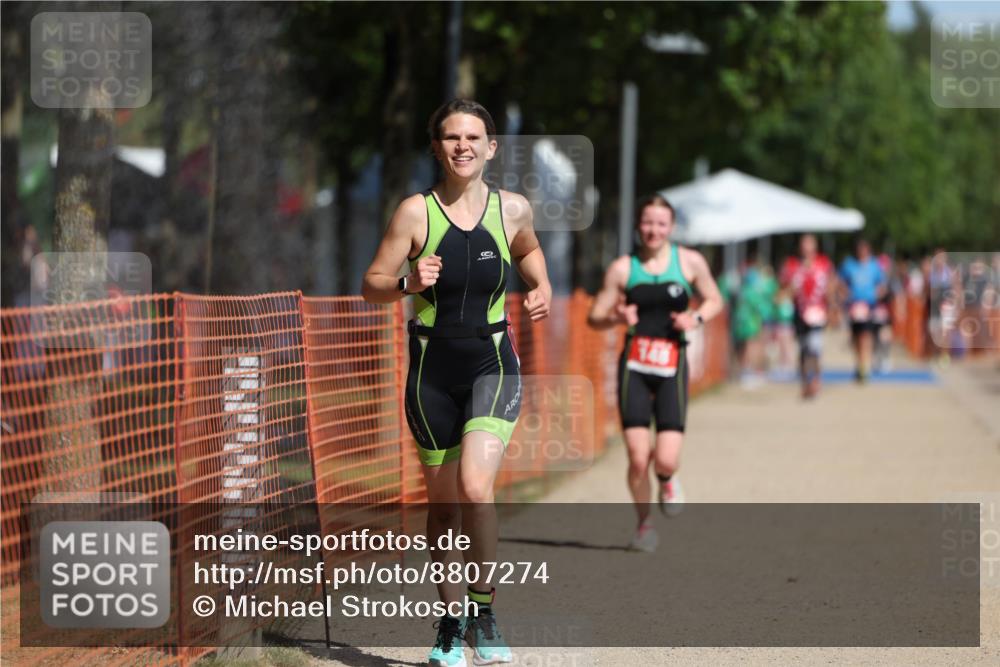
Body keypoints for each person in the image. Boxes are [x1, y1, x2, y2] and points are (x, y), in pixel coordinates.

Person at [363, 99, 552, 667]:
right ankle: (451, 623)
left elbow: (530, 250)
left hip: (491, 364)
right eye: (451, 137)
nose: (462, 146)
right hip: (430, 373)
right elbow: (371, 283)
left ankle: (484, 610)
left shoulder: (512, 209)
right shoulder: (414, 214)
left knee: (475, 487)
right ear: (436, 147)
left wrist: (541, 284)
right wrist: (405, 280)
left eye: (473, 137)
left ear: (492, 148)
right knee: (442, 506)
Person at [587, 194, 723, 552]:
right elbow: (594, 316)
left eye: (661, 223)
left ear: (671, 227)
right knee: (636, 455)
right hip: (634, 365)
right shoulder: (622, 269)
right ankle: (644, 525)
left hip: (671, 366)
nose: (653, 230)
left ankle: (667, 477)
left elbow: (714, 299)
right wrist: (617, 317)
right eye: (647, 222)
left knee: (664, 457)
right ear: (638, 225)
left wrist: (694, 317)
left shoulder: (689, 262)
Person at [779, 234, 834, 399]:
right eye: (804, 244)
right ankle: (805, 382)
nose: (807, 247)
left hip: (818, 313)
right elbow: (784, 289)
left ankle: (816, 381)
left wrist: (832, 308)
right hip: (799, 314)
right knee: (803, 349)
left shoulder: (824, 264)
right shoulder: (792, 265)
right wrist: (788, 293)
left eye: (810, 244)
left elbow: (830, 286)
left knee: (815, 348)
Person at [838, 239, 887, 382]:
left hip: (869, 306)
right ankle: (859, 363)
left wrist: (876, 295)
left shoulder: (874, 265)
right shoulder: (849, 265)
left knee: (867, 335)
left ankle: (865, 366)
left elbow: (882, 284)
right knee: (856, 337)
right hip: (854, 306)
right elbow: (840, 282)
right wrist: (845, 294)